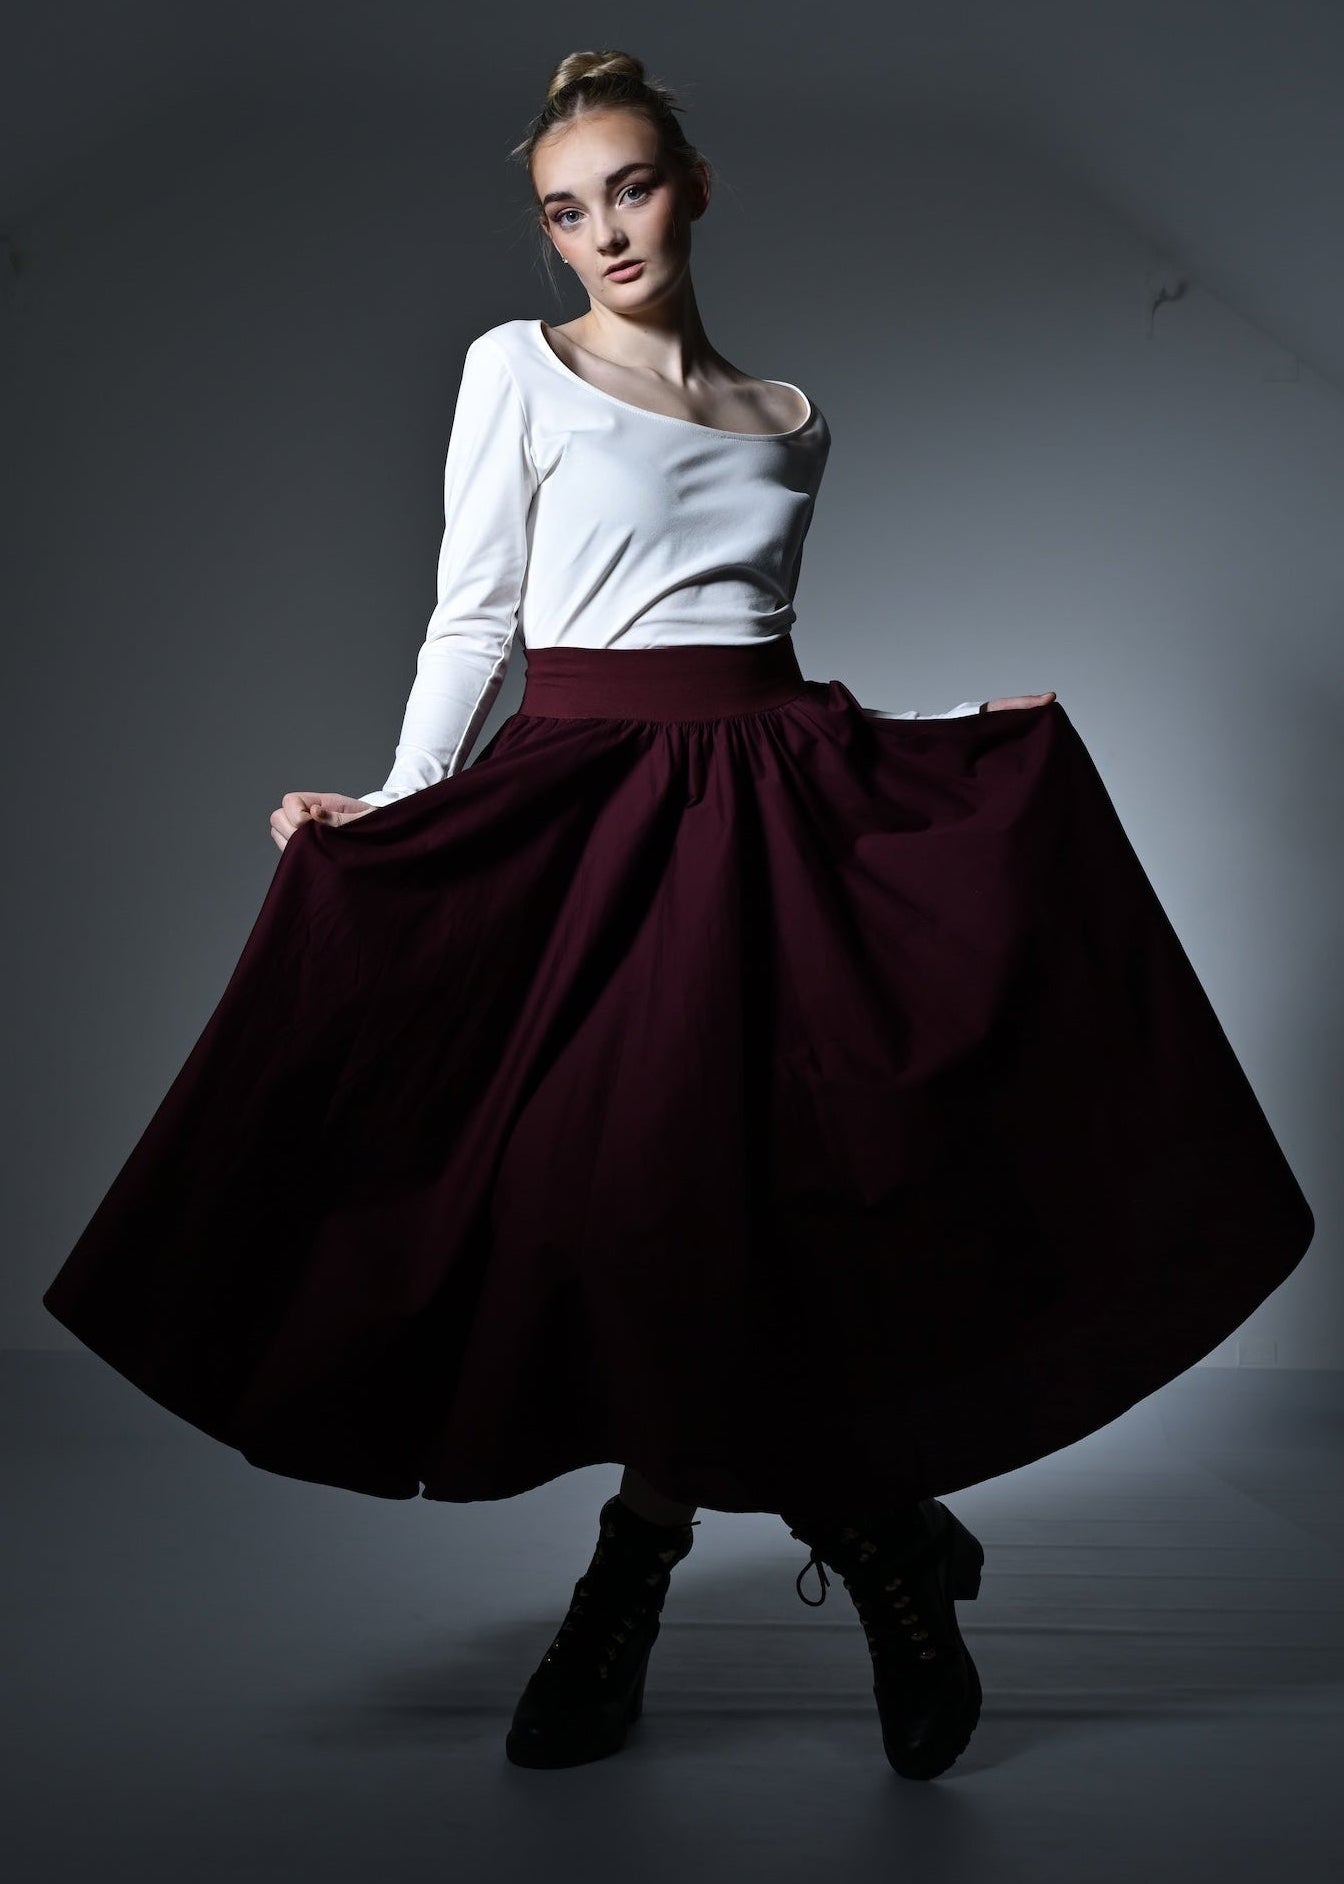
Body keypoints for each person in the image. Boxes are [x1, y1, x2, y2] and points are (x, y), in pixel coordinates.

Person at [43, 50, 1314, 1786]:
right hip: (582, 811)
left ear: (694, 186)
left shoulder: (795, 417)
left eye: (628, 189)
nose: (600, 233)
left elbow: (747, 645)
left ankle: (639, 1592)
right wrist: (408, 813)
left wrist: (945, 738)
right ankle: (875, 1544)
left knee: (749, 1213)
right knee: (635, 1206)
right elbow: (473, 616)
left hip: (769, 811)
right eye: (567, 210)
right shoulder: (522, 369)